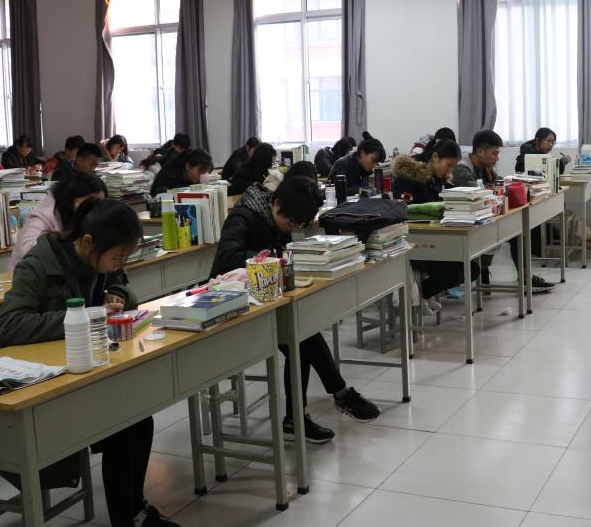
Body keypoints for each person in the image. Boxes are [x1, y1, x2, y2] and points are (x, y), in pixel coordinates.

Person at [0, 199, 176, 527]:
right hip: (52, 383)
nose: (120, 263)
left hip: (91, 371)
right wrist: (84, 316)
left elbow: (122, 287)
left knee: (140, 417)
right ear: (88, 241)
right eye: (117, 257)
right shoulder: (38, 265)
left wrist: (117, 293)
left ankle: (135, 512)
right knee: (124, 425)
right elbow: (9, 326)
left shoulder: (100, 259)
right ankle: (126, 520)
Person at [210, 177, 380, 443]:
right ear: (277, 203)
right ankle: (334, 396)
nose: (291, 228)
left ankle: (302, 415)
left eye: (297, 225)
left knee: (301, 333)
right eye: (290, 222)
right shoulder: (243, 217)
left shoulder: (275, 216)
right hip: (231, 307)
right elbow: (226, 260)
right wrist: (271, 260)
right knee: (299, 338)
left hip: (265, 301)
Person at [451, 130, 555, 294]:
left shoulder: (485, 167)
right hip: (466, 224)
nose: (497, 158)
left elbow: (499, 183)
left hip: (485, 217)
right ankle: (483, 268)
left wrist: (515, 183)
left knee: (517, 230)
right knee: (511, 231)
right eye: (494, 153)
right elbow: (482, 193)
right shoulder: (462, 169)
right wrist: (503, 188)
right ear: (480, 151)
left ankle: (524, 277)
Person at [391, 139, 480, 305]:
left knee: (473, 269)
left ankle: (421, 295)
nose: (450, 170)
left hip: (436, 237)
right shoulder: (409, 178)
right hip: (415, 242)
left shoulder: (437, 178)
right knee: (455, 273)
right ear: (435, 157)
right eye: (449, 165)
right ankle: (415, 299)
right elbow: (402, 205)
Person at [516, 127, 591, 259]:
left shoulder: (539, 155)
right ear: (538, 141)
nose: (551, 145)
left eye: (553, 142)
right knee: (571, 222)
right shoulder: (528, 158)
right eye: (548, 141)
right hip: (537, 204)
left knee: (570, 222)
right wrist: (562, 162)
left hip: (546, 199)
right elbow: (544, 177)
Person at [11, 171, 108, 268]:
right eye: (89, 204)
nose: (95, 209)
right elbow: (28, 250)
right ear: (71, 199)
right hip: (29, 273)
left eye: (100, 204)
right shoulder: (42, 218)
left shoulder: (81, 217)